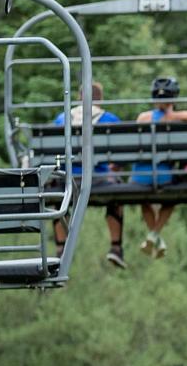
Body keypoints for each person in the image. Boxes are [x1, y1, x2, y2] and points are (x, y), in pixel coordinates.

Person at [50, 82, 128, 269]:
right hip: (98, 180)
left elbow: (51, 152)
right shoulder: (110, 118)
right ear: (100, 99)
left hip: (67, 181)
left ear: (79, 98)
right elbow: (122, 155)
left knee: (57, 200)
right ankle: (116, 247)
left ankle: (61, 249)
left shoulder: (62, 119)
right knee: (117, 199)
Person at [135, 76, 187, 259]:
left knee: (140, 197)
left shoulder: (144, 118)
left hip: (138, 177)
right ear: (175, 97)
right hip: (164, 175)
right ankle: (154, 235)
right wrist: (175, 116)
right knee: (171, 199)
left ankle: (155, 237)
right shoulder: (182, 119)